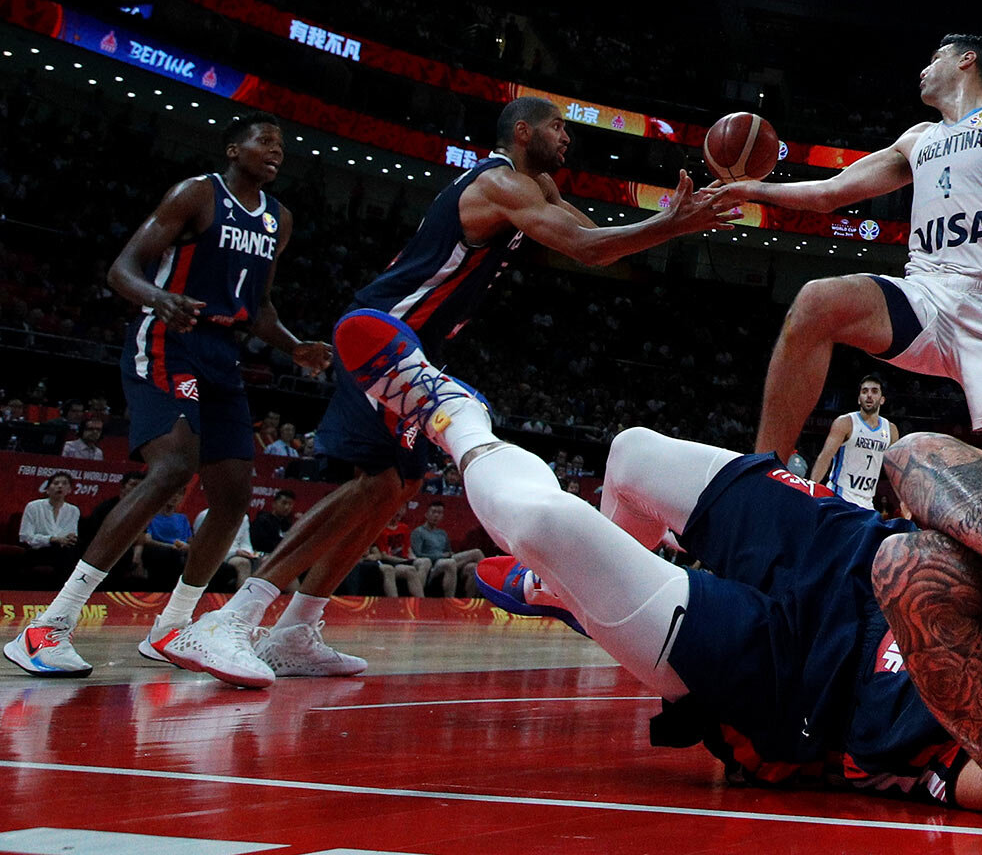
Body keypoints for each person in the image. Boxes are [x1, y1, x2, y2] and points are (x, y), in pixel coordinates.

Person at [335, 309, 982, 821]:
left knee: (549, 522)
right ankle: (591, 595)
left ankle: (452, 418)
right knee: (630, 457)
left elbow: (908, 566)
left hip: (793, 684)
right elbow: (917, 456)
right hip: (837, 554)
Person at [163, 96, 733, 688]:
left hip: (417, 348)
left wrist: (674, 222)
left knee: (397, 486)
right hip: (381, 333)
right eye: (557, 127)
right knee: (377, 483)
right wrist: (673, 222)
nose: (567, 138)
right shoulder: (501, 184)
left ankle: (295, 630)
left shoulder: (537, 186)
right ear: (522, 131)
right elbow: (586, 248)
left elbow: (600, 245)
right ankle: (233, 619)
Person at [4, 112, 331, 680]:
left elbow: (260, 307)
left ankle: (171, 628)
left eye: (282, 146)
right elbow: (121, 270)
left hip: (222, 353)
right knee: (174, 466)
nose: (276, 152)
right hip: (168, 341)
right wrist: (159, 298)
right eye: (265, 142)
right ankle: (47, 626)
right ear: (234, 148)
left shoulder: (280, 219)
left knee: (232, 494)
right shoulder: (196, 195)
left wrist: (294, 346)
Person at [710, 34, 982, 467]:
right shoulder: (917, 139)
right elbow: (830, 192)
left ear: (967, 60)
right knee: (816, 301)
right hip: (926, 295)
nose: (924, 69)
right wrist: (752, 189)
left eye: (935, 58)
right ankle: (763, 473)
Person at [809, 374, 900, 510]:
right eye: (864, 391)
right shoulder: (845, 423)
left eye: (874, 391)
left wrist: (904, 501)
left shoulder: (891, 430)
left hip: (868, 502)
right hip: (840, 497)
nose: (869, 395)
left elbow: (895, 471)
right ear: (859, 399)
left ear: (882, 400)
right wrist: (811, 488)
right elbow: (825, 457)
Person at [409, 502, 482, 597]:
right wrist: (441, 556)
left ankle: (471, 602)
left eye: (439, 513)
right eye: (434, 512)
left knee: (473, 566)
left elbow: (448, 551)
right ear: (426, 514)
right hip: (433, 565)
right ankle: (450, 601)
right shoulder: (418, 532)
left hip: (448, 560)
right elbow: (417, 554)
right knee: (475, 553)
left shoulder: (442, 533)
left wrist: (449, 554)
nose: (436, 515)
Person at [250, 489, 297, 553]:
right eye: (284, 503)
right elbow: (259, 544)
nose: (287, 507)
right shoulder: (262, 521)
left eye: (290, 504)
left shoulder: (288, 525)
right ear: (274, 504)